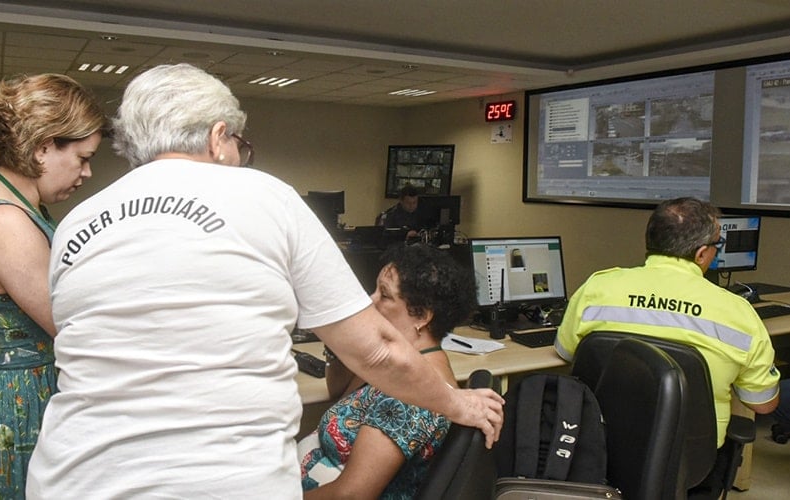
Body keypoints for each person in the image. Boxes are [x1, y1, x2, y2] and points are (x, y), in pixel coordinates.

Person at [25, 63, 503, 499]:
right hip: (220, 483)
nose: (238, 156)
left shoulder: (76, 221)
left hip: (73, 478)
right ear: (218, 139)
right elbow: (376, 349)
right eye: (238, 144)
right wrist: (454, 402)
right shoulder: (266, 195)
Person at [555, 197, 779, 499]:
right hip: (690, 462)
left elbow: (566, 352)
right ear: (702, 254)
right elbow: (762, 404)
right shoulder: (739, 314)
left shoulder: (597, 288)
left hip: (601, 448)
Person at [0, 73, 105, 498]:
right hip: (21, 406)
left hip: (31, 392)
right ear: (42, 148)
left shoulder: (21, 208)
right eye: (82, 157)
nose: (87, 172)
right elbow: (70, 325)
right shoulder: (5, 222)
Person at [300, 243, 475, 499]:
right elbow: (338, 391)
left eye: (384, 295)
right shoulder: (395, 361)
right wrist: (339, 340)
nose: (370, 300)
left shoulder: (411, 395)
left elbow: (352, 495)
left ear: (422, 316)